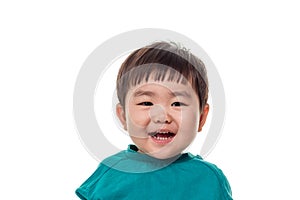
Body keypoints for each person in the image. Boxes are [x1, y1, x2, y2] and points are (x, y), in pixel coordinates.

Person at [75, 41, 233, 199]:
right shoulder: (111, 172)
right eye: (146, 103)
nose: (162, 117)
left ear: (201, 117)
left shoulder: (209, 178)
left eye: (177, 103)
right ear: (123, 116)